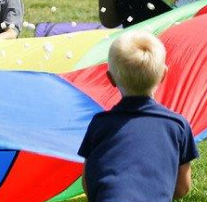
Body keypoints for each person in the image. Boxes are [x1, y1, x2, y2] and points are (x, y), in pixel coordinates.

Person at [77, 30, 198, 202]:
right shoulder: (176, 125)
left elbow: (88, 183)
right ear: (163, 75)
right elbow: (182, 187)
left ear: (110, 78)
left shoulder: (100, 124)